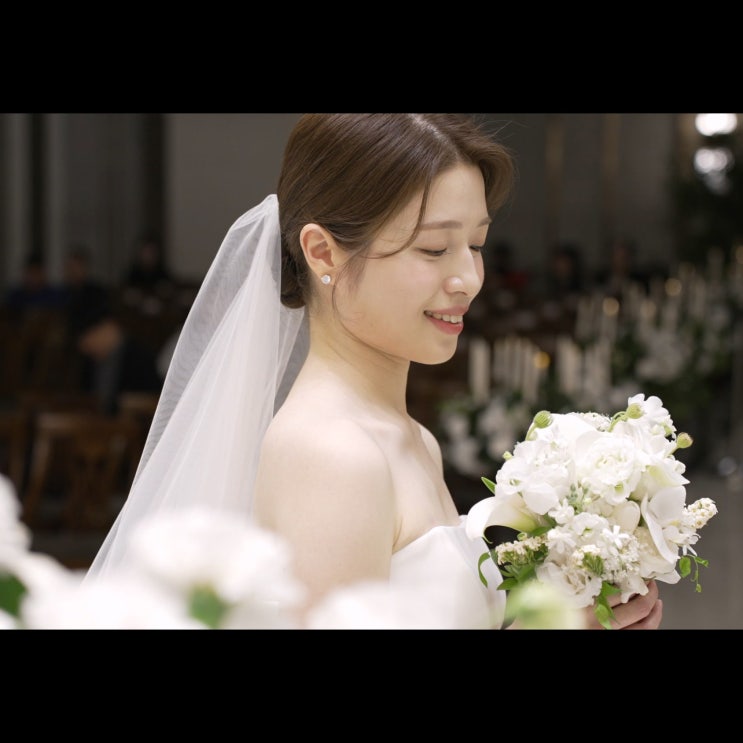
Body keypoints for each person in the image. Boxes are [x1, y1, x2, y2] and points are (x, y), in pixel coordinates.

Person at [87, 114, 662, 630]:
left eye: (476, 244)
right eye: (434, 249)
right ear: (323, 253)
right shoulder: (334, 455)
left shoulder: (412, 438)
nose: (468, 278)